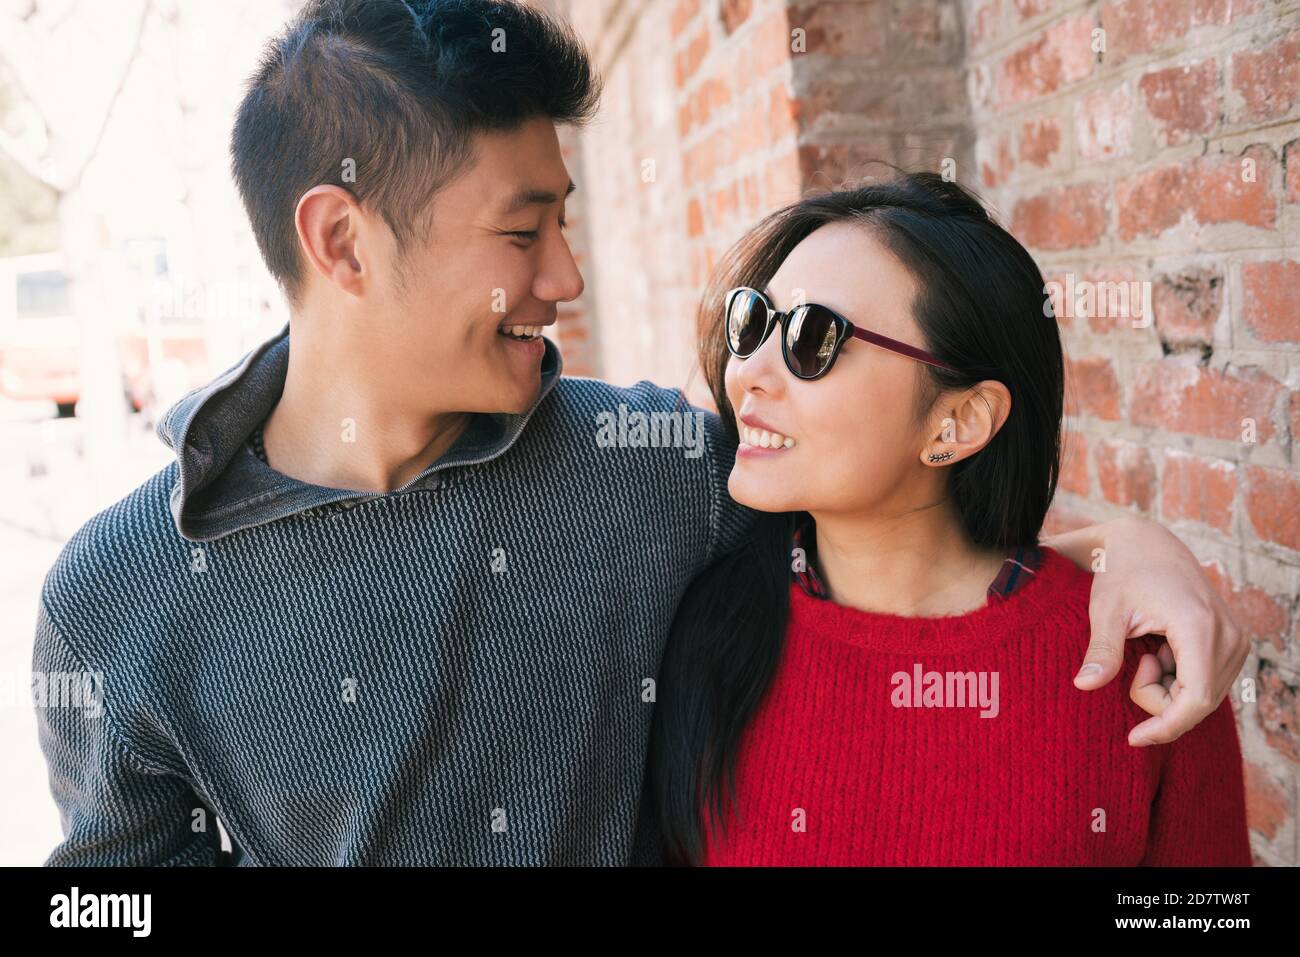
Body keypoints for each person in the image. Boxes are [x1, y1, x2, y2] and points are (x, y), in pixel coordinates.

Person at [33, 0, 1247, 866]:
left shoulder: (649, 473)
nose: (565, 277)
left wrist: (1141, 548)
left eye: (566, 222)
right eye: (523, 233)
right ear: (342, 241)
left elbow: (896, 506)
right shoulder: (119, 593)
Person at [647, 172, 1252, 866]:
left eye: (812, 337)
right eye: (753, 320)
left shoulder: (1138, 665)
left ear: (958, 421)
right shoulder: (703, 631)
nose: (749, 368)